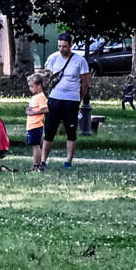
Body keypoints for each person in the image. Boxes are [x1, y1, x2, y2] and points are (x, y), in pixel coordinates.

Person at [40, 32, 90, 169]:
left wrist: (78, 98)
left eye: (65, 46)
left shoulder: (80, 61)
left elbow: (85, 83)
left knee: (71, 131)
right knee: (49, 130)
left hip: (71, 100)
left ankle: (68, 161)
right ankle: (43, 161)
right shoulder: (53, 58)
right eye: (59, 46)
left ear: (71, 45)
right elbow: (47, 77)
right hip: (55, 98)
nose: (62, 49)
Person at [26, 73, 49, 171]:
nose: (30, 88)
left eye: (32, 86)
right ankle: (36, 164)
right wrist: (28, 110)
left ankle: (36, 165)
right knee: (34, 146)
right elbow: (32, 109)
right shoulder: (35, 96)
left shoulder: (41, 97)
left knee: (36, 146)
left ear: (39, 86)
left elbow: (45, 109)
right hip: (31, 125)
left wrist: (35, 112)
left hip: (36, 125)